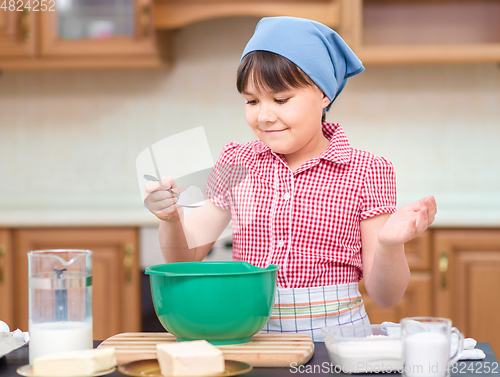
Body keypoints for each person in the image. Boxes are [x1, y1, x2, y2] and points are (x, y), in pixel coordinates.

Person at [144, 16, 437, 341]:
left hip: (336, 345)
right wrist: (171, 219)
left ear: (324, 95)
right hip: (253, 339)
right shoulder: (237, 161)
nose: (265, 116)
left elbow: (386, 297)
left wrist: (388, 245)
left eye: (281, 99)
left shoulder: (367, 170)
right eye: (252, 101)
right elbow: (186, 257)